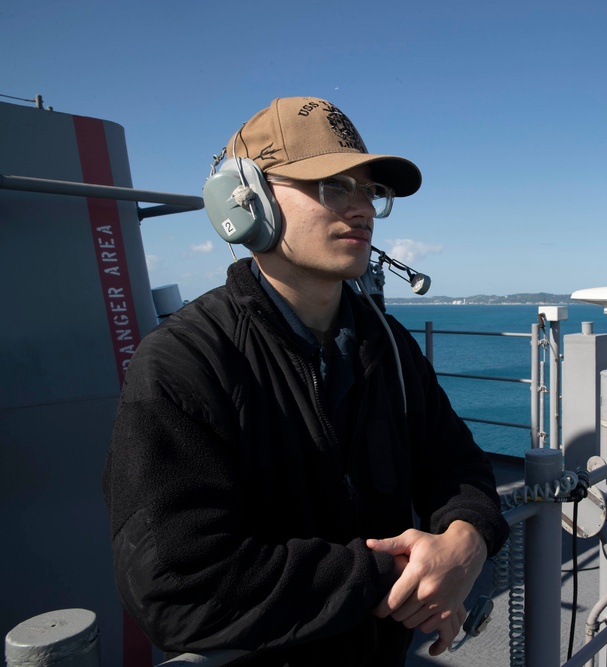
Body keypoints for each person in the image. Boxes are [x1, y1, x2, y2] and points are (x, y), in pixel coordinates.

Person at [102, 96, 509, 666]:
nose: (362, 208)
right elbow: (177, 586)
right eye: (333, 186)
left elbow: (457, 465)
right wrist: (401, 572)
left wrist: (466, 539)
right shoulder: (183, 362)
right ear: (246, 202)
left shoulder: (386, 344)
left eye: (370, 190)